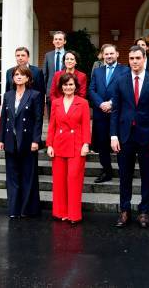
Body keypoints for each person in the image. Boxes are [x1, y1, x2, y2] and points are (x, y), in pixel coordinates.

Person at [110, 45, 149, 228]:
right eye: (131, 58)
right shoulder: (120, 80)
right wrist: (113, 135)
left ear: (144, 59)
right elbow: (116, 110)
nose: (134, 61)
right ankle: (124, 210)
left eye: (137, 58)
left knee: (146, 176)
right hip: (125, 136)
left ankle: (144, 211)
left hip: (147, 136)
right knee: (124, 176)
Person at [0, 65, 43, 218]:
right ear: (13, 78)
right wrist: (0, 139)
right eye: (16, 74)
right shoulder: (8, 95)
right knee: (12, 177)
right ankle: (14, 210)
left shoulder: (35, 95)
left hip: (28, 141)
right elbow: (3, 119)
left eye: (22, 75)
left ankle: (27, 210)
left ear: (28, 78)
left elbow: (38, 120)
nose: (18, 77)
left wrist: (36, 140)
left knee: (28, 176)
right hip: (10, 141)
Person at [47, 73, 91, 224]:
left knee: (74, 179)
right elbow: (52, 125)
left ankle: (74, 214)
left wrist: (86, 143)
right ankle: (60, 212)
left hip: (76, 145)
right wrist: (49, 145)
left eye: (71, 84)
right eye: (65, 85)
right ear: (61, 87)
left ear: (76, 86)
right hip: (58, 143)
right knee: (59, 181)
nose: (68, 87)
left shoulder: (83, 103)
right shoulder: (56, 103)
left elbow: (86, 125)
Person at [88, 44, 129, 183]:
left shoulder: (125, 70)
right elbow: (91, 90)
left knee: (120, 145)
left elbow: (125, 90)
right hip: (100, 115)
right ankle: (106, 171)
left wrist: (111, 103)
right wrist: (101, 104)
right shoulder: (98, 71)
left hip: (118, 113)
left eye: (111, 53)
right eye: (106, 54)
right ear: (103, 56)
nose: (109, 56)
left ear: (117, 54)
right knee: (103, 146)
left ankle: (124, 172)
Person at [43, 31, 67, 117]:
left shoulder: (69, 55)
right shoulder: (48, 55)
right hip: (51, 92)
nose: (57, 41)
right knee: (51, 117)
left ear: (64, 41)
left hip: (66, 90)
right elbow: (45, 75)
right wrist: (45, 92)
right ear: (53, 41)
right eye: (56, 39)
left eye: (60, 39)